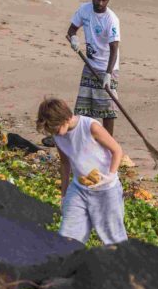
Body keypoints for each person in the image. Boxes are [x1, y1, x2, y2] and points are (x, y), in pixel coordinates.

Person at [36, 96, 128, 245]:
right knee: (67, 236)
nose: (57, 133)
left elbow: (117, 150)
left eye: (57, 128)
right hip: (78, 189)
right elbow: (65, 164)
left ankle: (123, 267)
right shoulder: (58, 136)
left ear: (66, 118)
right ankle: (66, 266)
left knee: (113, 238)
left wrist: (110, 176)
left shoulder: (91, 127)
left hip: (106, 190)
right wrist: (64, 195)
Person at [66, 0, 120, 135]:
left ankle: (108, 142)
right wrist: (74, 39)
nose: (100, 3)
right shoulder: (84, 10)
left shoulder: (111, 19)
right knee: (84, 106)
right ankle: (81, 137)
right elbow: (71, 29)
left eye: (104, 0)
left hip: (107, 67)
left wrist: (108, 75)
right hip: (90, 65)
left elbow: (114, 47)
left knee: (107, 108)